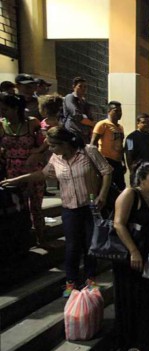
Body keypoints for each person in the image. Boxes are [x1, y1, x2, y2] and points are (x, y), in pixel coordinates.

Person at [0, 126, 112, 296]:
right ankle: (71, 283)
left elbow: (107, 171)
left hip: (90, 208)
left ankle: (90, 280)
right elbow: (43, 174)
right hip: (69, 209)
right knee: (72, 247)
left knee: (90, 246)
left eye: (53, 145)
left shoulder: (88, 151)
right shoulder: (56, 158)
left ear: (65, 143)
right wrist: (19, 179)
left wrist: (102, 195)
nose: (50, 149)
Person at [112, 163, 149, 351]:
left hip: (148, 256)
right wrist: (133, 251)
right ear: (141, 179)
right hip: (130, 257)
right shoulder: (130, 194)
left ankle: (148, 337)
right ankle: (133, 342)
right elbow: (119, 224)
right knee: (132, 299)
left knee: (147, 298)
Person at [0, 93, 46, 245]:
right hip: (12, 172)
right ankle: (23, 241)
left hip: (32, 170)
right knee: (18, 208)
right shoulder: (1, 124)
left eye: (5, 109)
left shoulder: (32, 123)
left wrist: (37, 153)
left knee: (36, 207)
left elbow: (46, 142)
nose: (2, 112)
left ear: (15, 108)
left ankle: (41, 239)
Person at [91, 101, 126, 191]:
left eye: (120, 111)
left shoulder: (120, 127)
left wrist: (123, 162)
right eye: (116, 111)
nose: (119, 113)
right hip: (106, 160)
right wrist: (96, 162)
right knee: (108, 188)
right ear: (109, 111)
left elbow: (120, 146)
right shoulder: (102, 124)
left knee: (121, 187)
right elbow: (93, 144)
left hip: (118, 162)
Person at [125, 113, 149, 183]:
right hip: (139, 172)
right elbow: (128, 155)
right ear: (138, 123)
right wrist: (132, 171)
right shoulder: (130, 138)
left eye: (148, 122)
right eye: (143, 122)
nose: (147, 124)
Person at [63, 77, 95, 144]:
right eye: (80, 86)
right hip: (72, 133)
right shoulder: (70, 97)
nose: (83, 89)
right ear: (74, 87)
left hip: (84, 136)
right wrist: (93, 124)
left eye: (85, 87)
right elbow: (77, 115)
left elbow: (90, 117)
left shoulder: (84, 102)